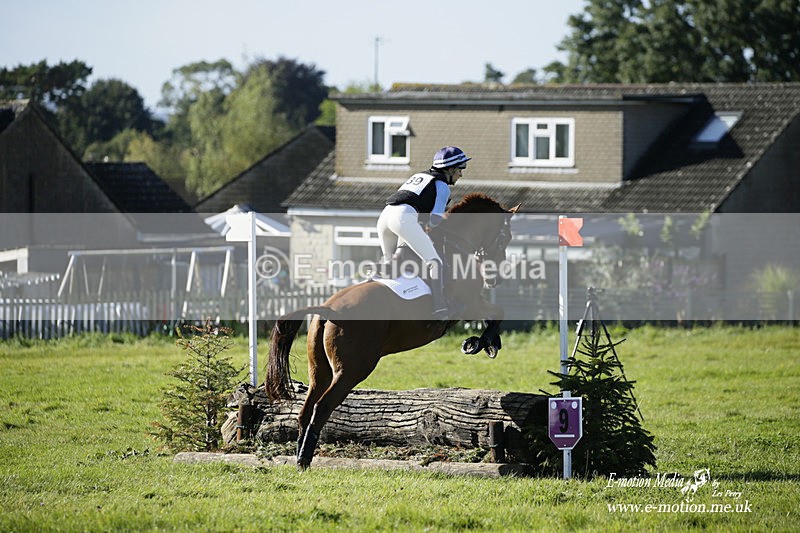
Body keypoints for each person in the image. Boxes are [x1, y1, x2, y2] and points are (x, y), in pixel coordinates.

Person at [376, 146, 470, 320]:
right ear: (450, 169)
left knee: (391, 265)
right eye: (460, 169)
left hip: (384, 217)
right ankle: (440, 308)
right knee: (435, 262)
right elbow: (434, 221)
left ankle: (376, 287)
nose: (461, 175)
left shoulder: (420, 176)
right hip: (403, 219)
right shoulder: (442, 186)